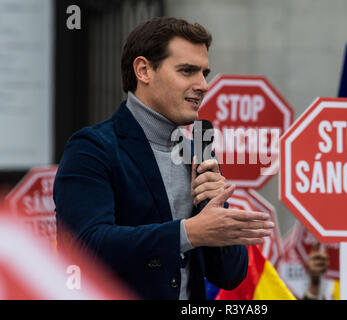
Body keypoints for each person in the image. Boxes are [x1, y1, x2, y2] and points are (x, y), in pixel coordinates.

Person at [53, 17, 274, 300]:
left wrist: (218, 214)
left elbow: (229, 276)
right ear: (144, 70)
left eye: (205, 73)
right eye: (187, 71)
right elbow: (84, 248)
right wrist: (189, 233)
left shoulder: (200, 151)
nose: (203, 85)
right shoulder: (92, 148)